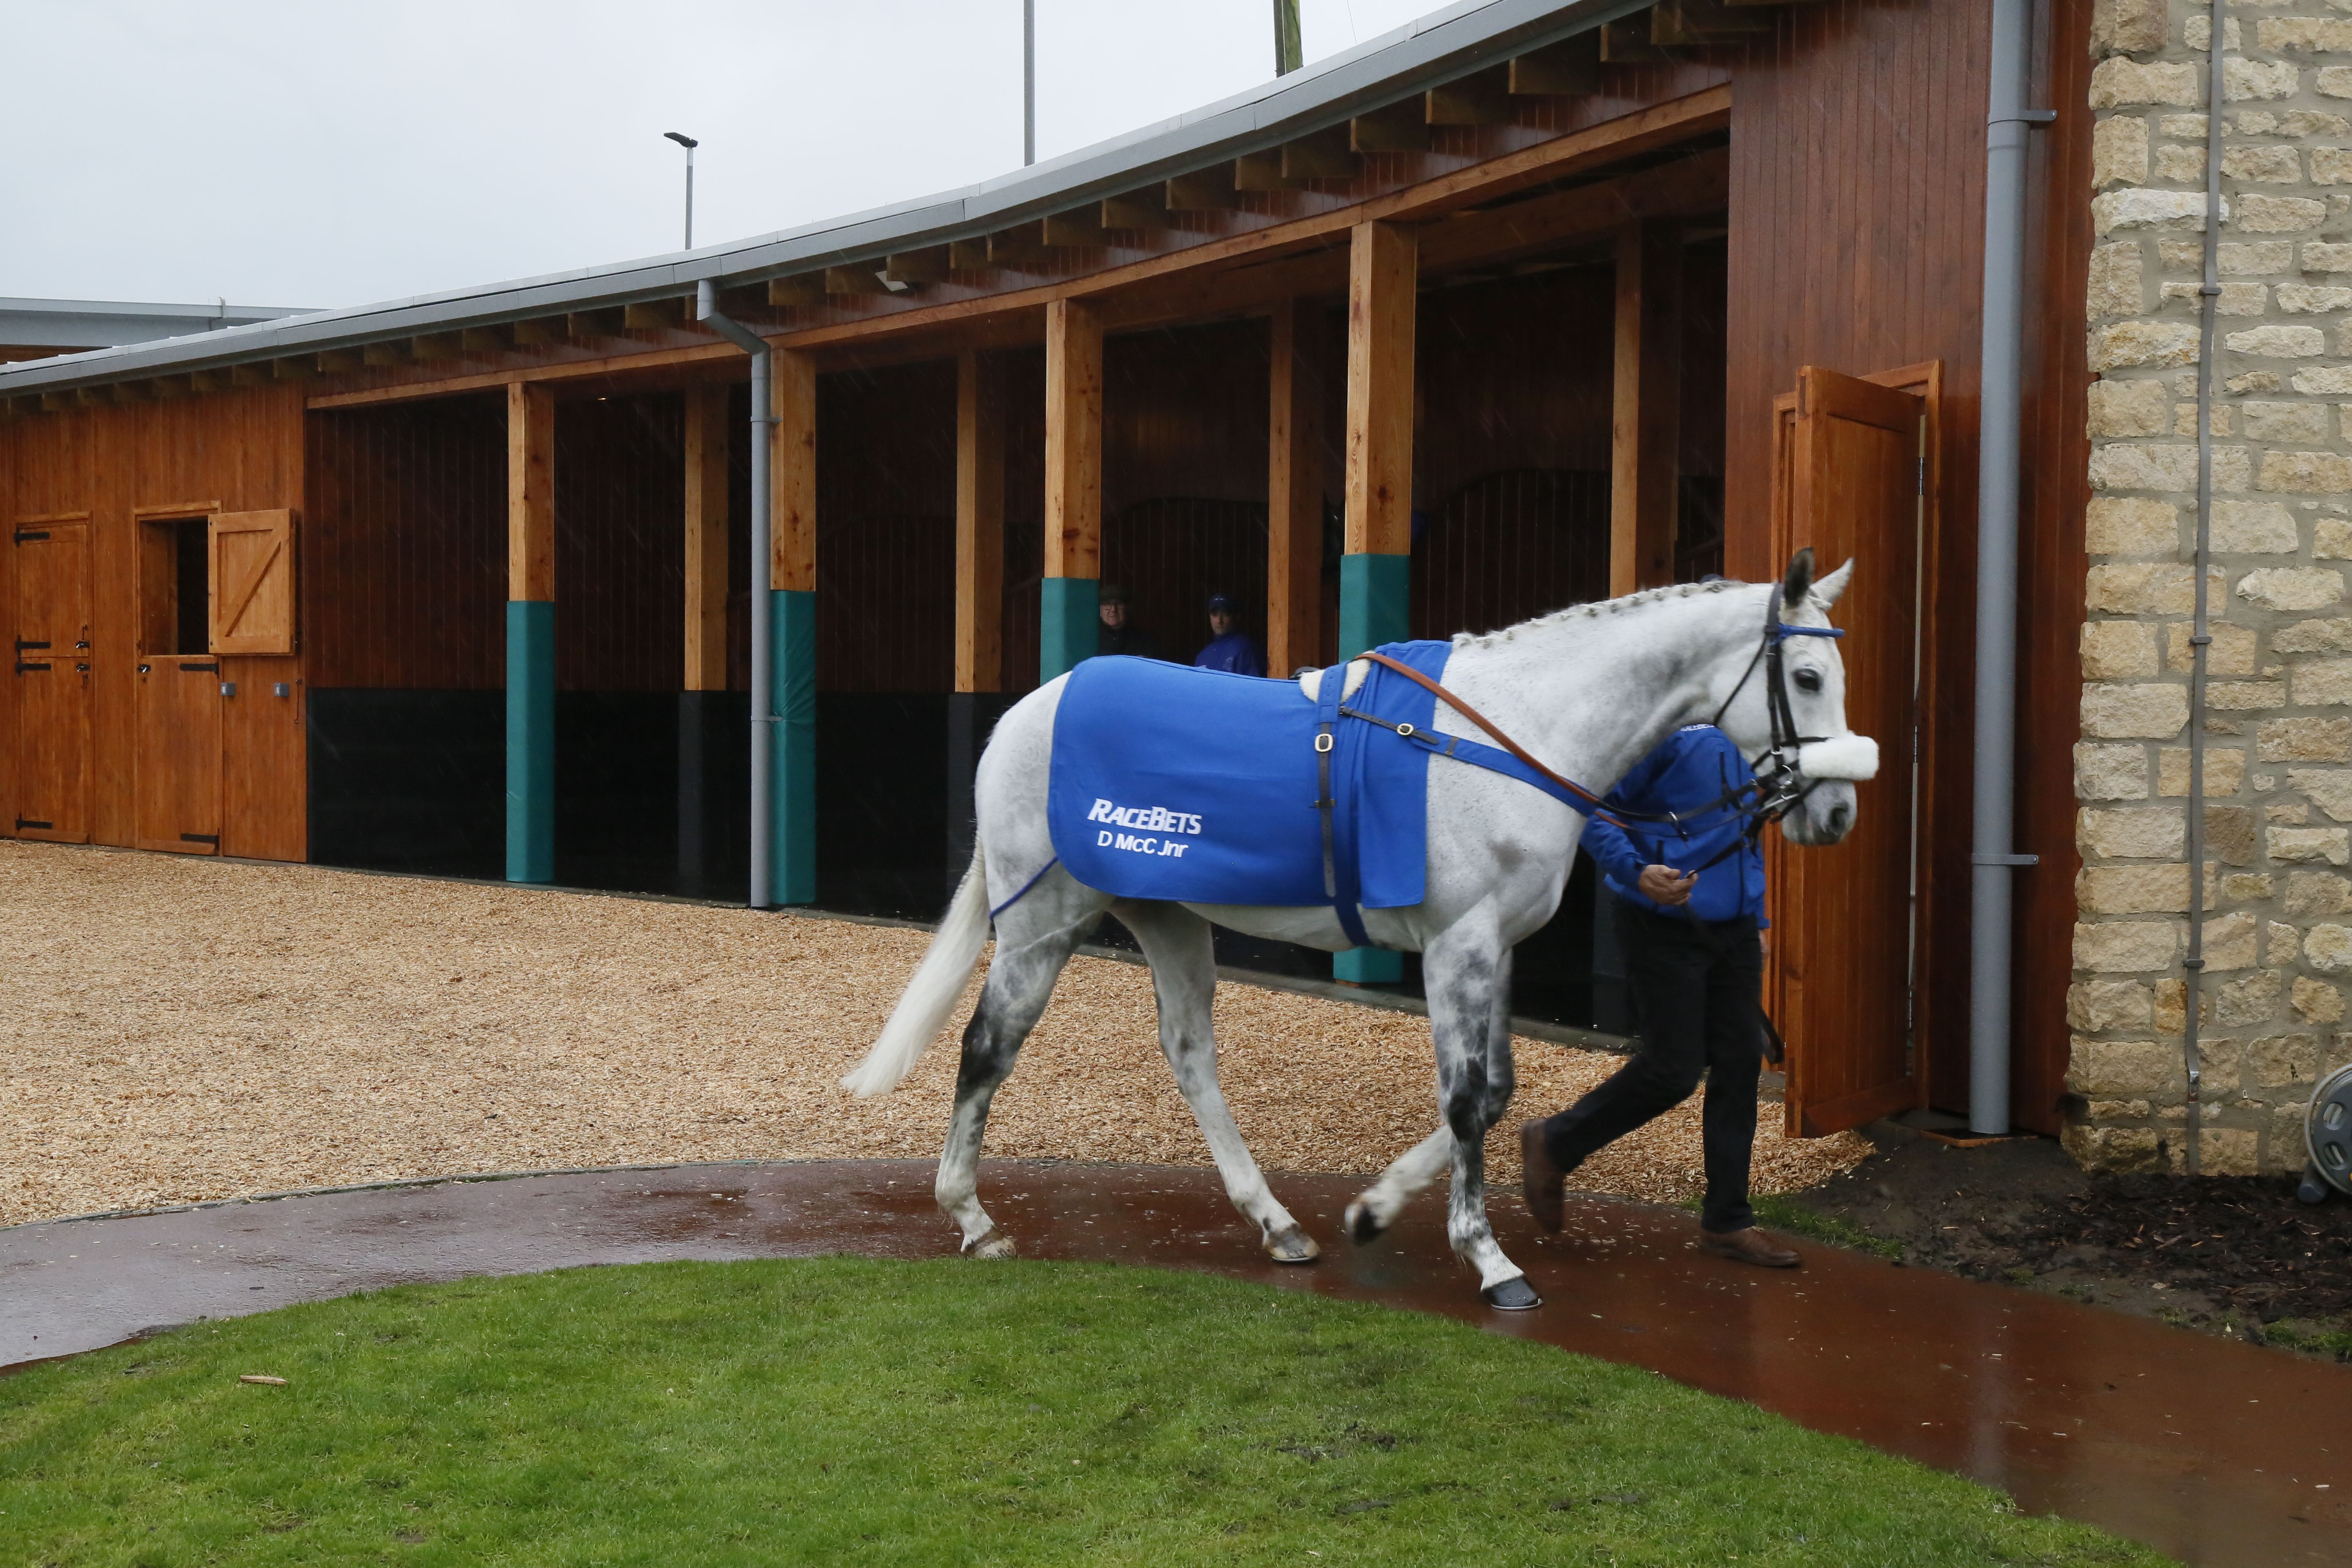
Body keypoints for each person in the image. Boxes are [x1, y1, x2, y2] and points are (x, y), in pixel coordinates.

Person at [1519, 722, 1801, 1269]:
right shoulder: (1666, 734)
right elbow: (1590, 806)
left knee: (1741, 1063)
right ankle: (1556, 1141)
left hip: (1735, 928)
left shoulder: (1753, 739)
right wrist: (1635, 870)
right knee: (1673, 1069)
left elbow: (1747, 833)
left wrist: (1759, 917)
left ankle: (1727, 1223)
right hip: (1662, 923)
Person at [1193, 592, 1266, 676]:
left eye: (1226, 615)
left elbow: (1253, 686)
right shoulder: (1203, 656)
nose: (1219, 621)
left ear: (1236, 617)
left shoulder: (1245, 650)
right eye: (1214, 615)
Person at [1095, 583, 1156, 659]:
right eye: (1107, 605)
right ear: (1100, 610)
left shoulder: (1144, 641)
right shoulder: (1092, 639)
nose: (1114, 610)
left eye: (1119, 604)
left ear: (1128, 608)